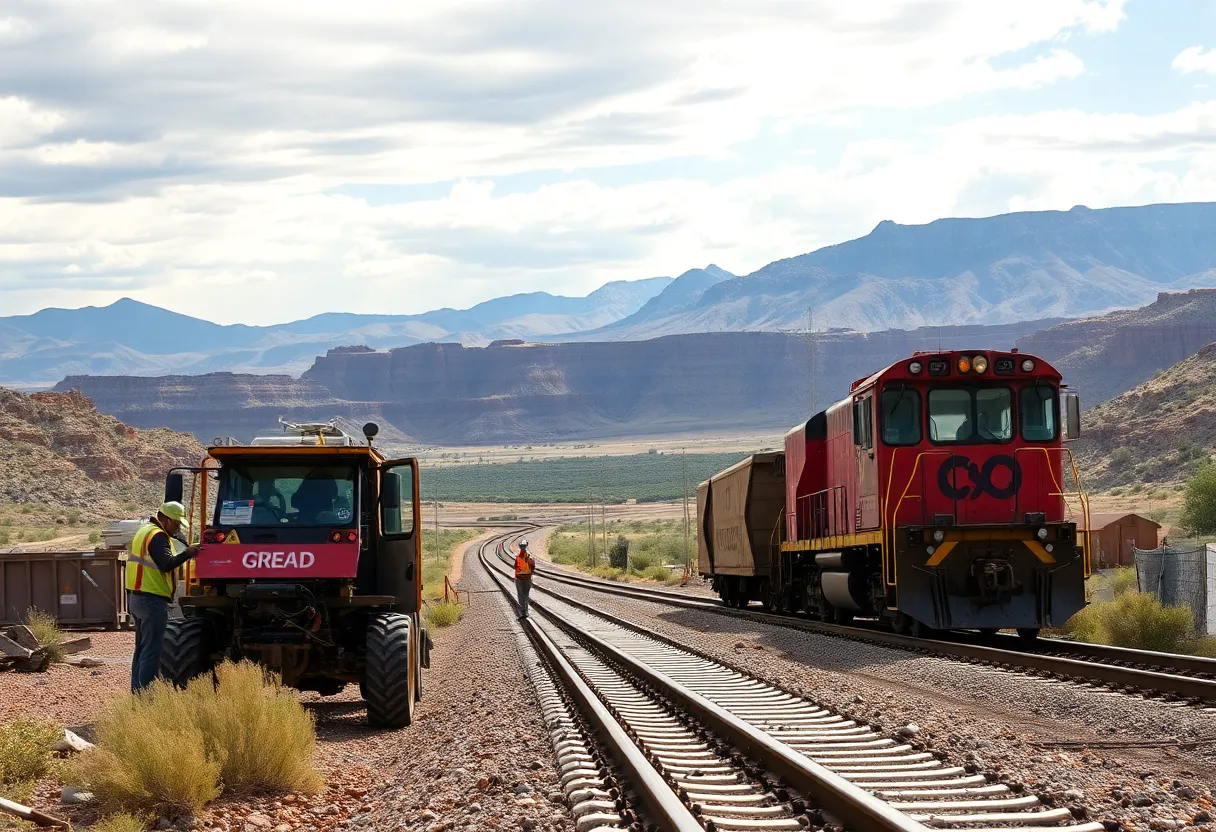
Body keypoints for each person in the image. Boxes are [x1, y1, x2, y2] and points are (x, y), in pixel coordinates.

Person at [126, 501, 200, 693]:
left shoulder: (144, 531)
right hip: (151, 600)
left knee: (141, 650)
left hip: (137, 598)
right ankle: (147, 697)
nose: (178, 528)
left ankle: (137, 694)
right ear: (166, 520)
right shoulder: (158, 536)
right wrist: (188, 553)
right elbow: (166, 563)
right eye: (176, 523)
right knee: (152, 651)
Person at [514, 539, 535, 619]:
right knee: (526, 595)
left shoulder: (518, 556)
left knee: (520, 595)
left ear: (520, 547)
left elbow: (515, 567)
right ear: (526, 546)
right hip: (527, 578)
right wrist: (530, 574)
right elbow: (533, 566)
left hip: (519, 578)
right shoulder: (530, 557)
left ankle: (522, 612)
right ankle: (526, 611)